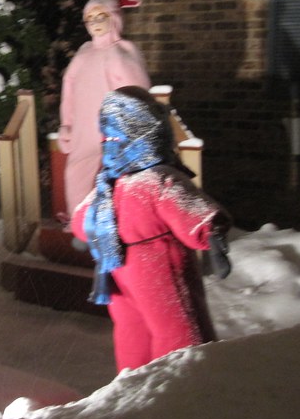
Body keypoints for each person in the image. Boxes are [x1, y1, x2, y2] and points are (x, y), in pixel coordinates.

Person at [71, 86, 232, 372]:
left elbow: (84, 216)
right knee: (178, 326)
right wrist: (212, 232)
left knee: (133, 327)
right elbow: (187, 207)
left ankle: (132, 378)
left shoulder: (108, 183)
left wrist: (89, 234)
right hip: (157, 265)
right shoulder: (157, 180)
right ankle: (186, 378)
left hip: (117, 267)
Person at [58, 0, 151, 219]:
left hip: (114, 130)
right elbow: (69, 87)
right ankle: (79, 223)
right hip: (83, 130)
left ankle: (120, 227)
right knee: (77, 174)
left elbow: (137, 92)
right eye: (90, 19)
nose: (96, 22)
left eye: (102, 16)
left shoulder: (122, 51)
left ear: (115, 18)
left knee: (118, 178)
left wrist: (133, 129)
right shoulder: (84, 51)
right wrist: (67, 123)